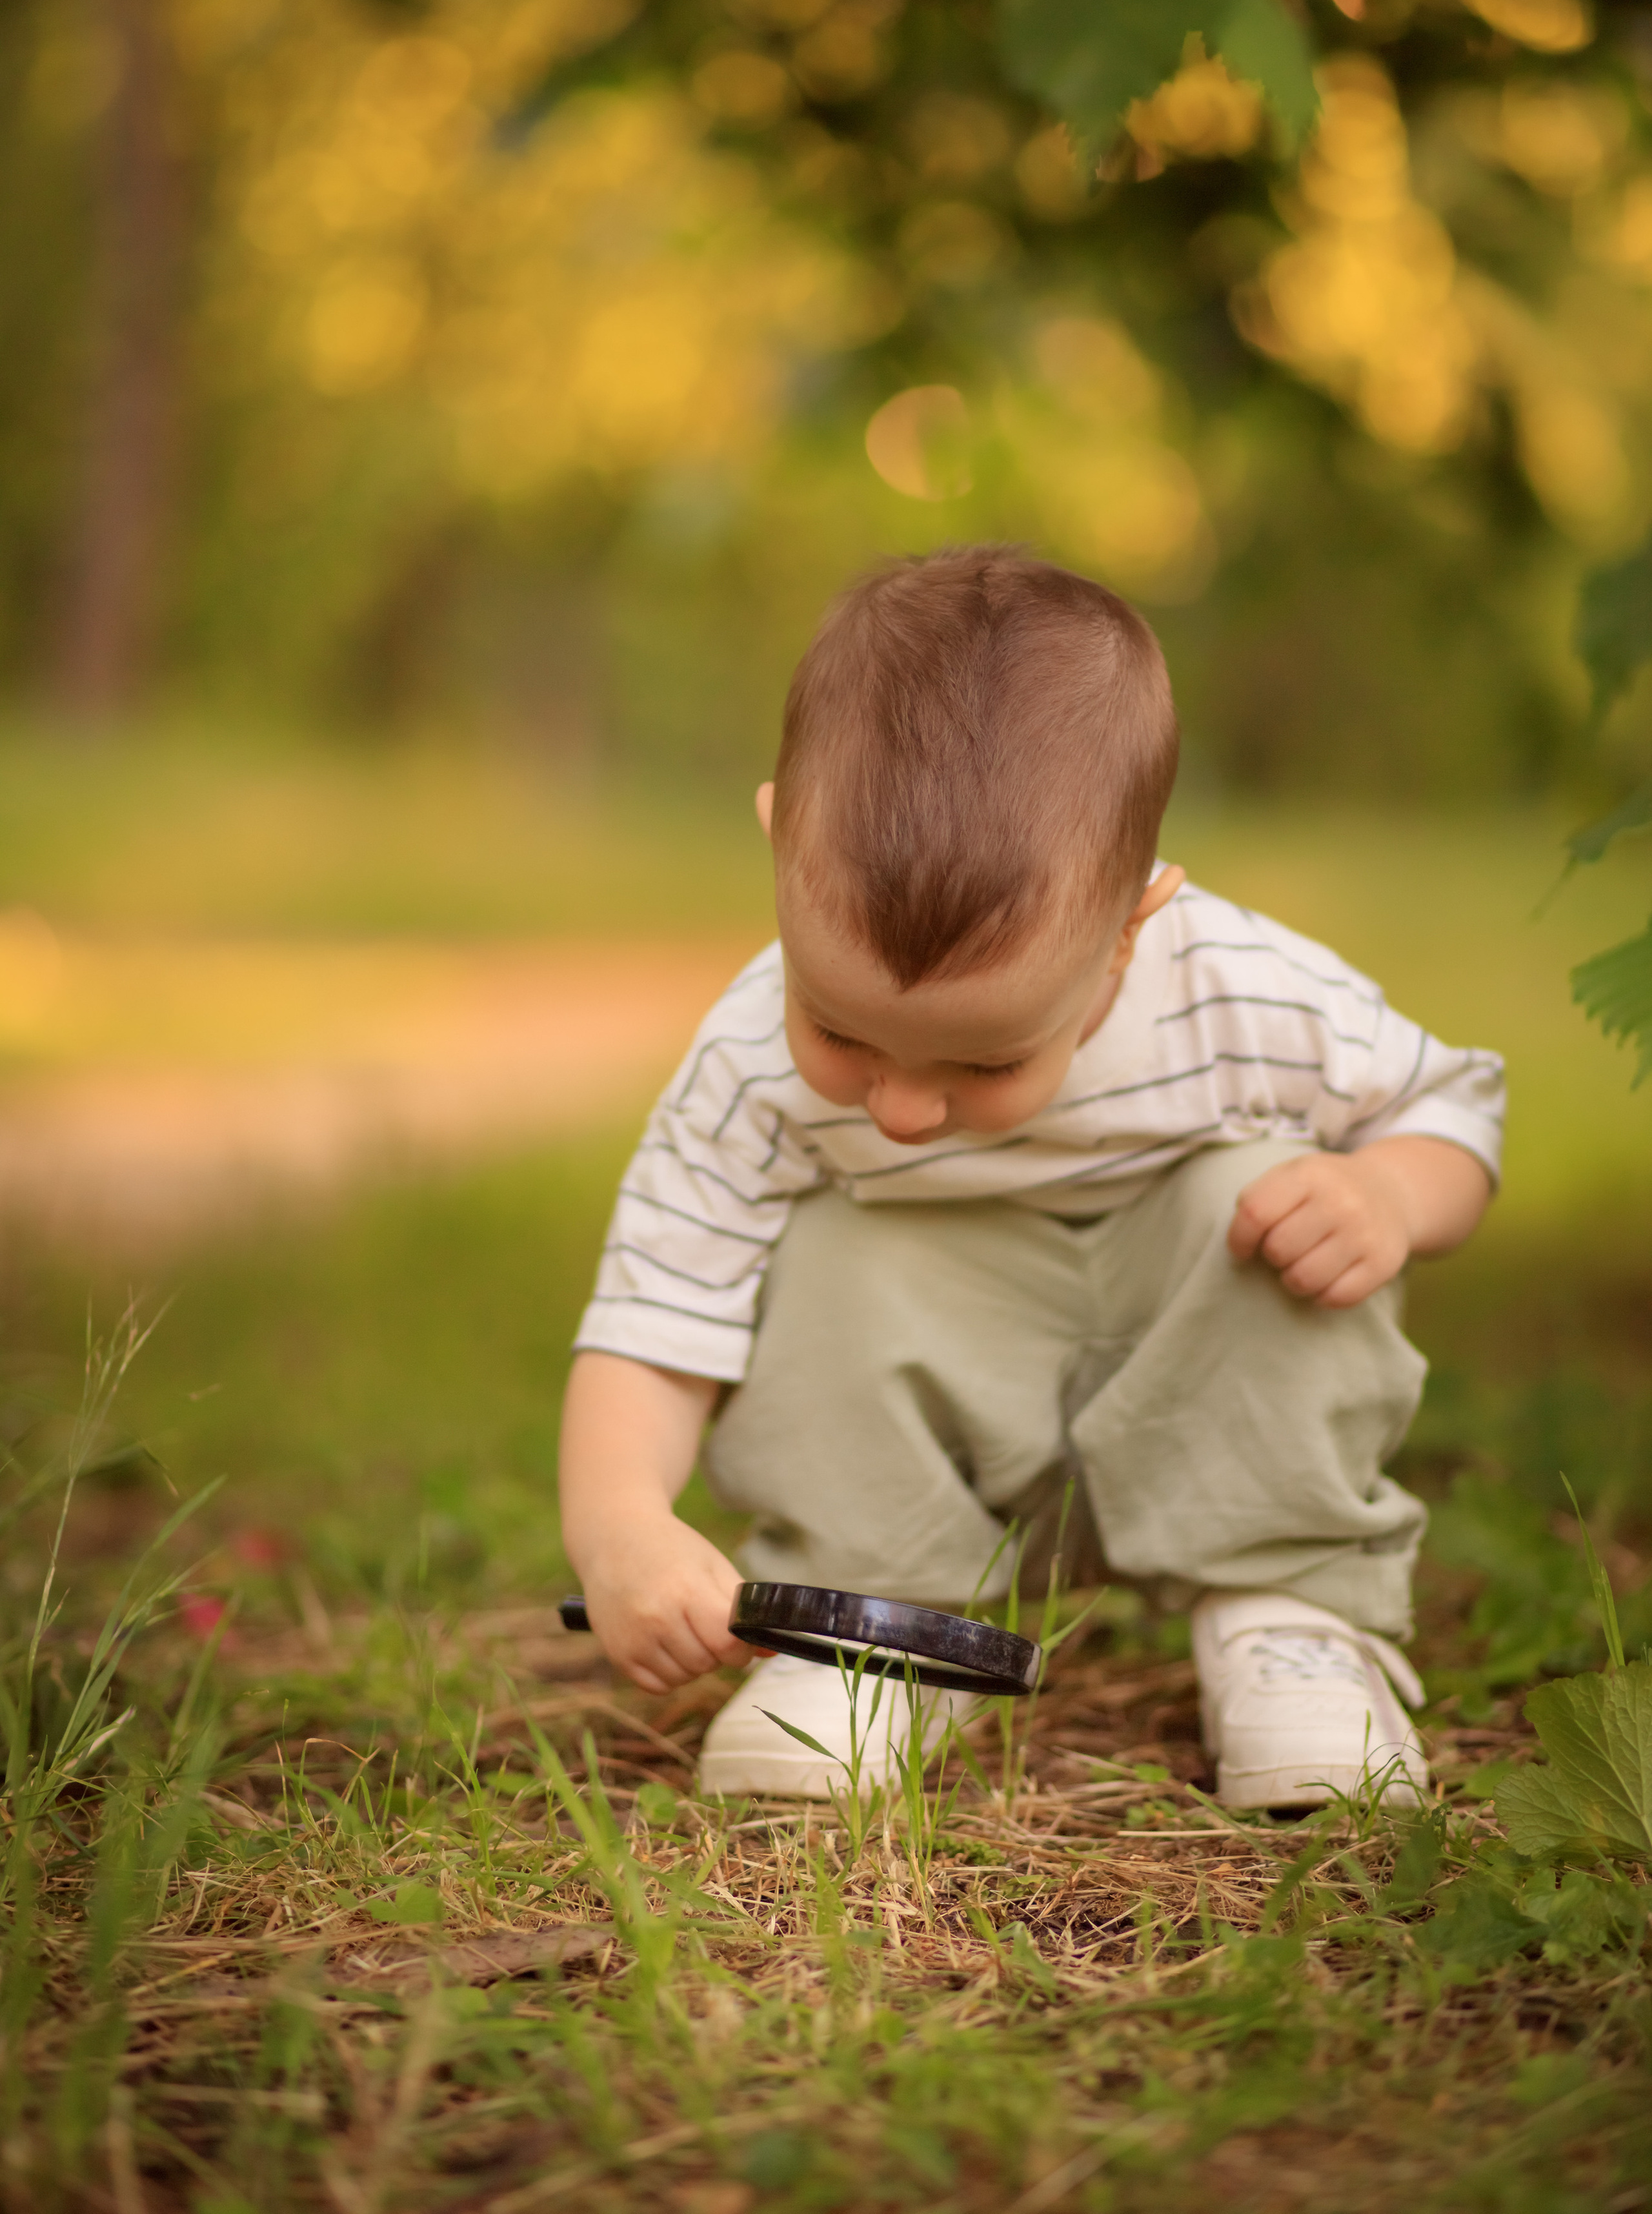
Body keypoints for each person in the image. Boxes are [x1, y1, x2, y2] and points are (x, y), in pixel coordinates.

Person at [560, 547, 1503, 1810]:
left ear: (1128, 933)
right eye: (837, 1032)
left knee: (1275, 1189)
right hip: (939, 1427)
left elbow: (1448, 1104)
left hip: (1198, 1397)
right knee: (832, 1237)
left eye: (981, 1058)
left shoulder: (1238, 989)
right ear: (780, 834)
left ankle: (1293, 1616)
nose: (897, 1108)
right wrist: (619, 1522)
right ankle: (880, 1630)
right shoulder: (743, 1063)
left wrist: (1388, 1194)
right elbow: (657, 1310)